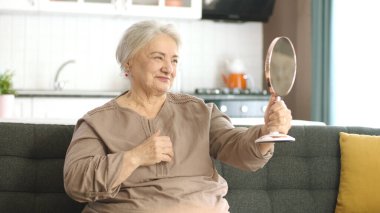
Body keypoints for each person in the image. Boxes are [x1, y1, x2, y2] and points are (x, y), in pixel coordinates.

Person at [63, 20, 292, 213]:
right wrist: (135, 157)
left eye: (174, 60)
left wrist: (267, 133)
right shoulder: (96, 122)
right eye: (158, 58)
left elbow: (238, 148)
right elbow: (76, 182)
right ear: (128, 62)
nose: (168, 68)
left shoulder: (200, 111)